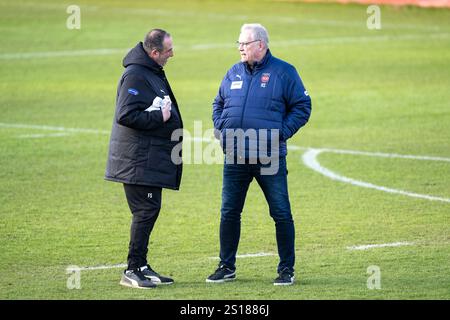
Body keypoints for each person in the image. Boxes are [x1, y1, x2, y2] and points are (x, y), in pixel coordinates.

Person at [208, 24, 311, 286]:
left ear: (261, 45)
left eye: (245, 43)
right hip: (236, 157)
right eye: (238, 43)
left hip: (269, 157)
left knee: (280, 213)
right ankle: (226, 266)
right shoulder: (233, 72)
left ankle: (286, 269)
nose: (240, 47)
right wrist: (222, 127)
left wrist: (281, 133)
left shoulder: (284, 72)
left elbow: (302, 106)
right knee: (229, 212)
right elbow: (217, 103)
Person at [105, 29, 183, 289]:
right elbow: (125, 114)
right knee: (145, 210)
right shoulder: (136, 74)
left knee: (150, 210)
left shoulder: (152, 72)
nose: (172, 54)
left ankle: (141, 265)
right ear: (154, 52)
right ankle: (132, 269)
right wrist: (158, 118)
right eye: (168, 50)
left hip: (150, 158)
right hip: (136, 160)